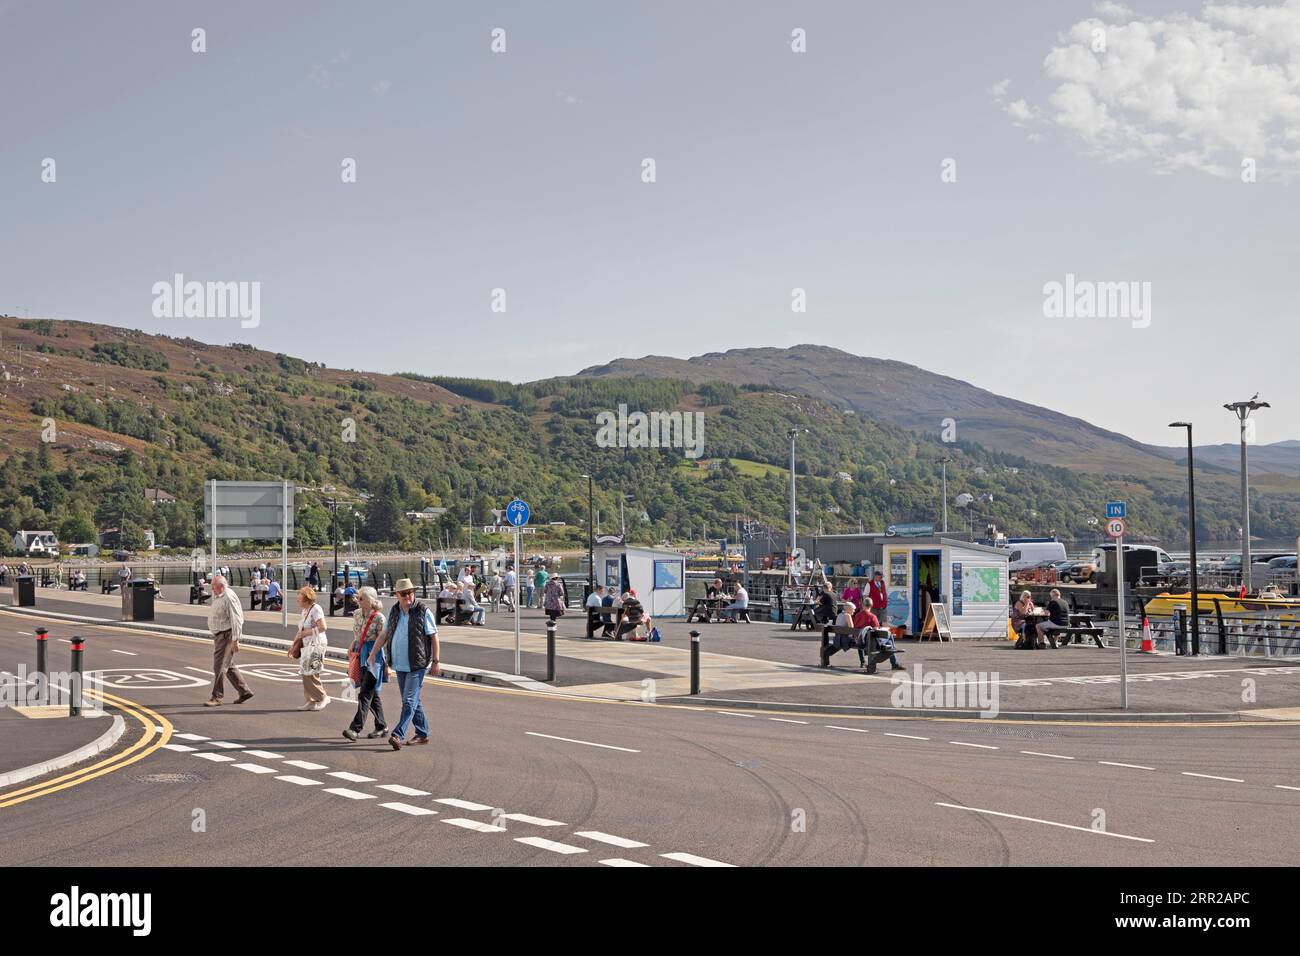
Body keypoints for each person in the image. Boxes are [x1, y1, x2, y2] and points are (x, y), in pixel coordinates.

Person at [368, 578, 439, 750]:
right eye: (404, 593)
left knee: (408, 701)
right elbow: (384, 635)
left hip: (417, 664)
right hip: (399, 664)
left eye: (410, 592)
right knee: (413, 701)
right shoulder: (394, 612)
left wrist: (436, 661)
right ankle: (422, 733)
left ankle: (398, 734)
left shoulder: (423, 611)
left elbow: (434, 637)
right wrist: (372, 654)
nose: (408, 596)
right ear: (397, 596)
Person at [343, 586, 389, 741]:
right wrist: (351, 646)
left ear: (371, 600)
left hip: (373, 655)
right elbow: (357, 634)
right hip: (360, 652)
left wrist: (375, 656)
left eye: (361, 597)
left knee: (365, 692)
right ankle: (381, 726)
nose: (357, 599)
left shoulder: (379, 618)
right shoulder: (356, 614)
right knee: (372, 693)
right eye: (358, 597)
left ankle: (355, 729)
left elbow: (383, 640)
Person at [204, 574, 254, 707]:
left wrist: (236, 640)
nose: (211, 588)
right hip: (220, 635)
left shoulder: (229, 597)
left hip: (227, 635)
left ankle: (217, 697)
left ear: (220, 586)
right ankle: (244, 691)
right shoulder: (219, 595)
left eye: (213, 586)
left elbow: (236, 619)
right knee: (228, 665)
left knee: (219, 666)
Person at [291, 585, 330, 710]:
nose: (297, 600)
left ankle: (323, 697)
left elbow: (323, 627)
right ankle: (311, 701)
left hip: (316, 644)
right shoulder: (304, 611)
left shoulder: (316, 609)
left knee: (312, 672)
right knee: (305, 672)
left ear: (307, 599)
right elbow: (300, 630)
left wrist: (306, 633)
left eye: (300, 597)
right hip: (307, 644)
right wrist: (293, 645)